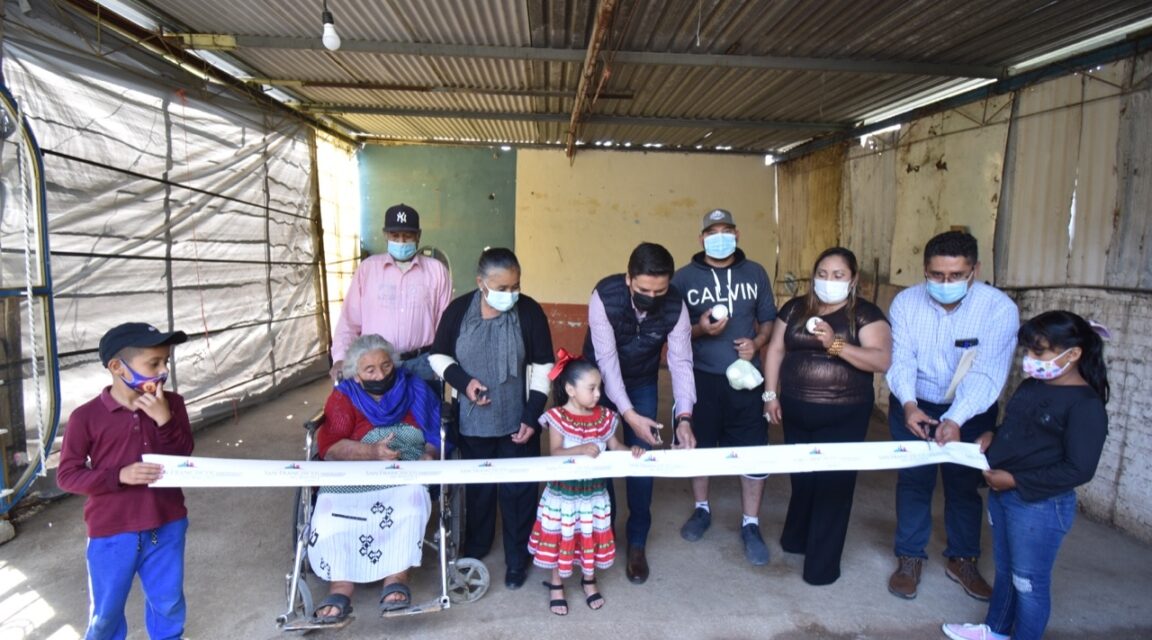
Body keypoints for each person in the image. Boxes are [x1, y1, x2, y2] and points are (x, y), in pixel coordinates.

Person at [942, 311, 1110, 640]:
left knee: (1028, 583)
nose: (1030, 360)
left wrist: (1016, 480)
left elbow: (1079, 469)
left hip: (1039, 506)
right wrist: (993, 436)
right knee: (1005, 573)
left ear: (1073, 353)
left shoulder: (1085, 405)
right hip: (1004, 496)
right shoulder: (1034, 385)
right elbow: (1020, 428)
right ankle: (996, 631)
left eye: (1039, 352)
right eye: (1028, 352)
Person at [885, 230, 1019, 601]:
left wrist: (956, 418)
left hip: (971, 409)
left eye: (956, 276)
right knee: (914, 481)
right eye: (936, 275)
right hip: (914, 402)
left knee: (963, 485)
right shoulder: (906, 303)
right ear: (924, 270)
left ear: (974, 269)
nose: (945, 283)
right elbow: (902, 360)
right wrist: (909, 404)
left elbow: (988, 372)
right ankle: (910, 557)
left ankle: (963, 559)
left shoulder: (998, 309)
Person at [762, 247, 892, 585]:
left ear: (853, 280)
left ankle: (821, 568)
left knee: (833, 487)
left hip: (844, 413)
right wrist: (770, 395)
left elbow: (880, 360)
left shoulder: (864, 314)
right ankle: (796, 539)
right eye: (822, 273)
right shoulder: (794, 309)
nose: (828, 281)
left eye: (838, 275)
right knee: (803, 478)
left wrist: (834, 345)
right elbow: (775, 349)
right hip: (795, 408)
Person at [57, 322, 193, 640]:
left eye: (166, 362)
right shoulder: (85, 417)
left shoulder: (173, 405)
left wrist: (164, 420)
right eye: (154, 363)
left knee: (168, 602)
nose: (163, 371)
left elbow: (185, 456)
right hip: (111, 531)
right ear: (117, 367)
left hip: (167, 523)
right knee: (106, 613)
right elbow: (67, 475)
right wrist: (118, 475)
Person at [429, 248, 554, 590]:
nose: (510, 294)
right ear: (480, 283)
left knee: (519, 492)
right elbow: (438, 355)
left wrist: (532, 414)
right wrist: (463, 382)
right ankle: (477, 549)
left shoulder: (529, 312)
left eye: (515, 286)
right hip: (473, 421)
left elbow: (544, 365)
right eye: (501, 288)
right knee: (479, 490)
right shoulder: (458, 311)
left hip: (518, 421)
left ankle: (518, 558)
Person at [308, 334, 441, 621]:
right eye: (370, 370)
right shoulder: (344, 397)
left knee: (412, 503)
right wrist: (371, 451)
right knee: (330, 513)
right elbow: (330, 448)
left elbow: (433, 434)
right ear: (356, 375)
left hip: (405, 470)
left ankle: (396, 579)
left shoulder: (415, 389)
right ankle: (341, 586)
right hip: (355, 471)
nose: (380, 374)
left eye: (386, 366)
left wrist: (428, 455)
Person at [585, 241, 697, 584]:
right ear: (629, 278)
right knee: (598, 460)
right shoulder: (605, 295)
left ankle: (636, 543)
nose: (652, 295)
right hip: (598, 385)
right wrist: (628, 414)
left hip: (644, 382)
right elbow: (607, 362)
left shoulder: (675, 306)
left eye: (659, 290)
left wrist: (684, 418)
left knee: (641, 460)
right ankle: (603, 535)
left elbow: (680, 362)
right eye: (644, 289)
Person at [671, 209, 776, 565]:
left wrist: (757, 343)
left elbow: (768, 321)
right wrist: (701, 329)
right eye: (712, 231)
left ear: (737, 233)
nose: (719, 237)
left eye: (726, 230)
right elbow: (674, 333)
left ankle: (751, 523)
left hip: (746, 379)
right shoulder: (683, 279)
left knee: (754, 449)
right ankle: (701, 509)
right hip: (700, 377)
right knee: (699, 446)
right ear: (701, 238)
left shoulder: (756, 272)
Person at [528, 351, 644, 615]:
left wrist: (633, 451)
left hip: (594, 494)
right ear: (570, 389)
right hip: (563, 495)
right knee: (562, 536)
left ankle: (589, 579)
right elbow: (555, 452)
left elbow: (614, 446)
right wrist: (580, 449)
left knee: (589, 537)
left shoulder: (605, 417)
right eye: (591, 388)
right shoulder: (558, 417)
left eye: (599, 388)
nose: (597, 394)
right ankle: (556, 582)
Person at [330, 203, 452, 384]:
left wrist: (443, 364)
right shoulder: (368, 270)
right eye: (395, 236)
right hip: (375, 366)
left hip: (422, 364)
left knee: (421, 412)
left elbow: (446, 324)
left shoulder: (437, 271)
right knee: (377, 412)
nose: (401, 241)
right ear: (385, 235)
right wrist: (340, 358)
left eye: (407, 236)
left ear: (418, 236)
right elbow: (349, 321)